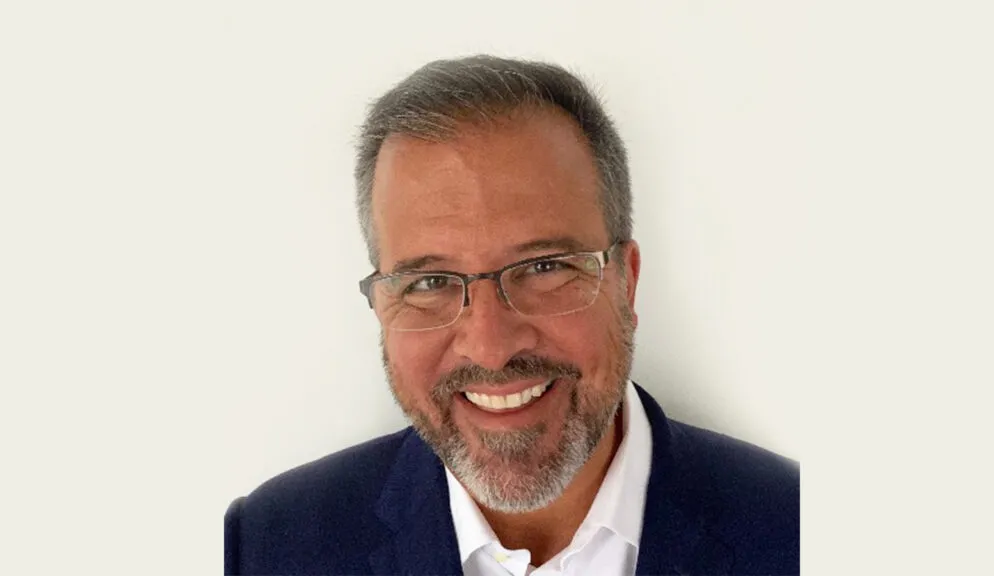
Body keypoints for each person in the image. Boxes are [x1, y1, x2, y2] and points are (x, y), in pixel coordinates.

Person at [224, 55, 799, 576]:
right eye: (429, 283)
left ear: (627, 281)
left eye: (544, 268)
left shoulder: (798, 532)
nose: (490, 347)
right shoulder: (265, 549)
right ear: (380, 303)